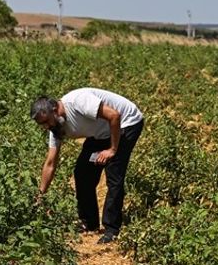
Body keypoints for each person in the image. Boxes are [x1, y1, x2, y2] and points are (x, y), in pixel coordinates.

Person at [31, 88, 144, 244]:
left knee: (114, 174)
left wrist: (112, 150)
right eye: (42, 125)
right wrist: (40, 195)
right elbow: (50, 163)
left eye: (46, 122)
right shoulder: (55, 128)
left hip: (126, 123)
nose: (46, 127)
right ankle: (89, 222)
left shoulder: (78, 101)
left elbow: (114, 115)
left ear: (55, 109)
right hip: (101, 132)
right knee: (82, 173)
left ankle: (112, 229)